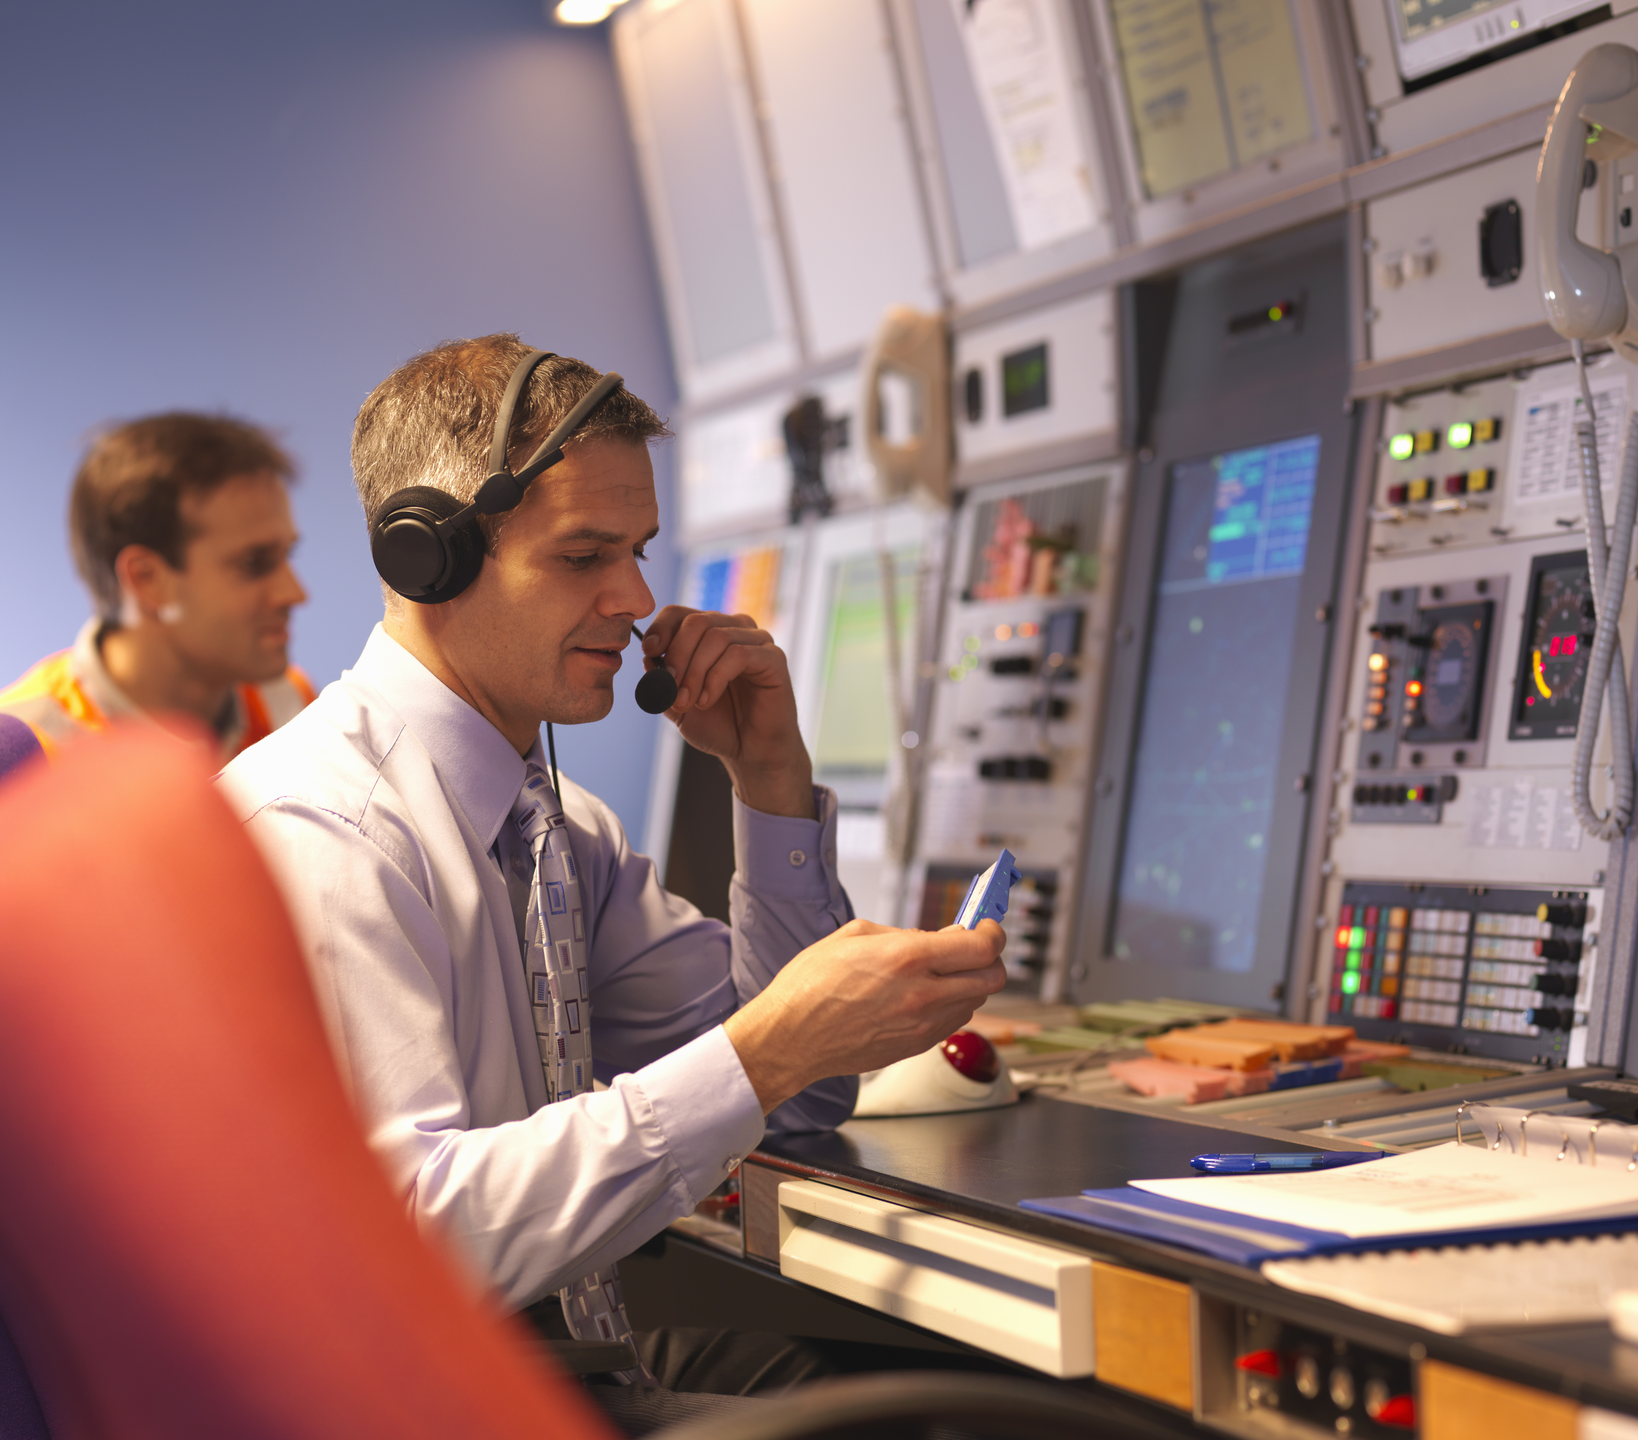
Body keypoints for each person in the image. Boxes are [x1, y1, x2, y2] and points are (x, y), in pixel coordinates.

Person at [216, 336, 1007, 1433]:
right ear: (426, 560)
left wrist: (768, 780)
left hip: (569, 1368)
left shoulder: (555, 829)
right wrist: (766, 1049)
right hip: (429, 1407)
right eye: (585, 555)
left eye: (638, 550)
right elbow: (418, 1238)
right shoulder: (328, 831)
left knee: (983, 1388)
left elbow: (806, 1092)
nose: (636, 599)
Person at [0, 413, 313, 764]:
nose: (296, 594)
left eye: (288, 555)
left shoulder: (290, 703)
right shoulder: (23, 753)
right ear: (147, 580)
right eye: (254, 564)